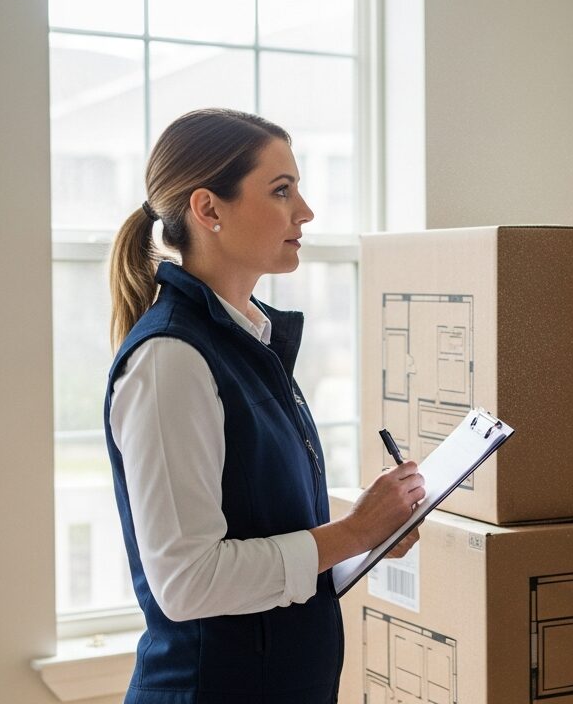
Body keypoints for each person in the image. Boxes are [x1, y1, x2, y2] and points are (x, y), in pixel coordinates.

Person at [105, 108, 426, 703]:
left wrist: (367, 536)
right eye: (282, 191)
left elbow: (269, 529)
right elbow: (186, 582)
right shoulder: (170, 361)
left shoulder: (250, 343)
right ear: (208, 209)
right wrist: (353, 531)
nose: (304, 211)